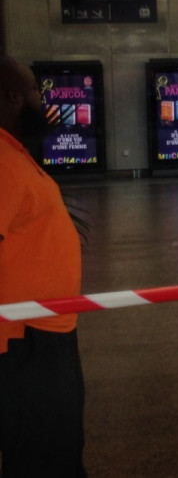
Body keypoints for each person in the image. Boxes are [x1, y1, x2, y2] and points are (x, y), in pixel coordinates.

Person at [0, 56, 87, 477]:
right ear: (14, 97)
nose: (44, 99)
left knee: (60, 447)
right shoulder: (1, 162)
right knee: (44, 456)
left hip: (44, 333)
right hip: (23, 341)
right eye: (36, 90)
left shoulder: (13, 152)